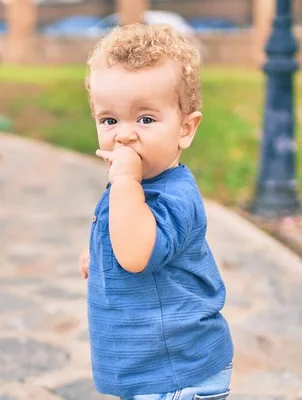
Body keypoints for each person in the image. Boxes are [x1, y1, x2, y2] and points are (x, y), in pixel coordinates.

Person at [78, 23, 234, 400]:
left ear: (185, 129)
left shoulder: (172, 195)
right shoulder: (134, 185)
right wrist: (98, 254)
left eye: (145, 119)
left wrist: (126, 182)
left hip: (176, 375)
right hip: (149, 370)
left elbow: (135, 254)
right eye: (109, 120)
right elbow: (124, 237)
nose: (124, 135)